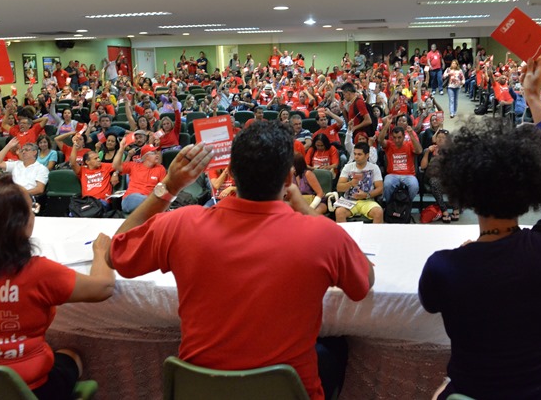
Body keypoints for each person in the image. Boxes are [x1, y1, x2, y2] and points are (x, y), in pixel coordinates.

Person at [106, 121, 373, 400]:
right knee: (335, 347)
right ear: (288, 180)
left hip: (200, 392)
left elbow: (115, 253)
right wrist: (305, 210)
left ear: (231, 172)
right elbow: (364, 283)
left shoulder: (181, 224)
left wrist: (170, 186)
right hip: (287, 393)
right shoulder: (323, 235)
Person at [0, 75, 116, 397]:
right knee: (70, 356)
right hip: (23, 390)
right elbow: (103, 287)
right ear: (19, 228)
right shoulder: (37, 272)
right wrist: (101, 252)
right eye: (30, 210)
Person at [418, 57, 541, 400]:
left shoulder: (443, 267)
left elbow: (430, 303)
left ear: (466, 193)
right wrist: (533, 98)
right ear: (532, 186)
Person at [335, 142, 384, 223]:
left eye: (359, 154)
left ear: (367, 155)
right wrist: (350, 183)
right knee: (339, 212)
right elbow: (339, 188)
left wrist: (366, 195)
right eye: (355, 154)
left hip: (367, 201)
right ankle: (344, 232)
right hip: (349, 201)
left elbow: (380, 189)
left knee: (378, 212)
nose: (356, 157)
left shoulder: (374, 168)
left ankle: (375, 232)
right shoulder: (348, 167)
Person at [113, 139, 166, 214]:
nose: (157, 155)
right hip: (131, 199)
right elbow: (116, 165)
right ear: (147, 156)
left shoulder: (160, 169)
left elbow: (162, 187)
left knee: (152, 201)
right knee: (145, 200)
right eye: (154, 153)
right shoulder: (134, 166)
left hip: (149, 200)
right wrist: (121, 148)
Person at [378, 123, 422, 203]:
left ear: (404, 136)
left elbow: (419, 151)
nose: (397, 140)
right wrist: (387, 125)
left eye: (399, 137)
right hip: (392, 175)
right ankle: (389, 205)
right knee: (387, 184)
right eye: (394, 137)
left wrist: (411, 134)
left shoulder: (409, 144)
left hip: (409, 175)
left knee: (414, 186)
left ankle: (407, 204)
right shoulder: (389, 144)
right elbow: (380, 140)